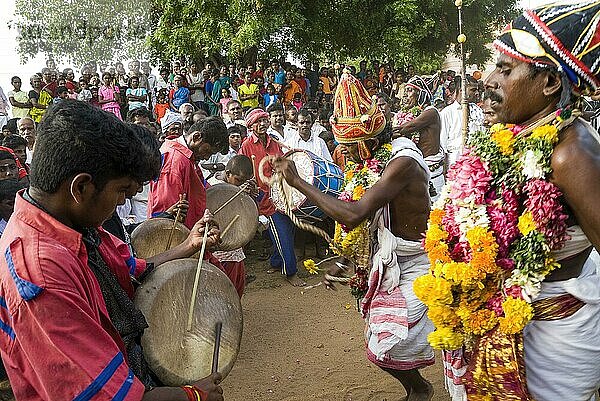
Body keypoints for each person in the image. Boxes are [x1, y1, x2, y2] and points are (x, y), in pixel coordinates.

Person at [423, 2, 600, 400]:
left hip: (559, 332)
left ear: (549, 84)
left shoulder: (571, 152)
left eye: (505, 69)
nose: (487, 80)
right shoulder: (516, 135)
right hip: (507, 324)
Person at [0, 100, 224, 400]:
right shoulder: (40, 272)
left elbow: (131, 270)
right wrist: (194, 395)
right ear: (80, 188)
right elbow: (109, 396)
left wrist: (189, 245)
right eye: (120, 192)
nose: (121, 202)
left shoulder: (75, 225)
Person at [272, 72, 435, 400]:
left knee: (389, 341)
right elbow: (364, 222)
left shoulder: (401, 161)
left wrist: (300, 184)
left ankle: (422, 389)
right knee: (382, 335)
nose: (346, 154)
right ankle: (421, 389)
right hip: (394, 258)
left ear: (370, 141)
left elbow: (355, 213)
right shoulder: (377, 161)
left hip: (420, 259)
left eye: (349, 147)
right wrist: (346, 262)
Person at [239, 108, 304, 286]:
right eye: (258, 122)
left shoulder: (274, 142)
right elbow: (241, 170)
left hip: (281, 192)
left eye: (264, 121)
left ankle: (276, 262)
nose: (262, 124)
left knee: (286, 229)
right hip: (263, 196)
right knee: (282, 231)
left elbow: (284, 164)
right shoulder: (246, 145)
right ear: (251, 126)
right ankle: (290, 272)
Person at [148, 116, 228, 230]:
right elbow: (167, 211)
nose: (206, 157)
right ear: (196, 137)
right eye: (207, 151)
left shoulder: (188, 157)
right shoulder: (175, 161)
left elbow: (201, 187)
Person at [392, 75, 443, 200]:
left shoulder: (431, 112)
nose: (405, 95)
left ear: (421, 94)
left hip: (432, 172)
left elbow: (405, 128)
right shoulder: (404, 114)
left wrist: (381, 134)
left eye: (409, 91)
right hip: (416, 172)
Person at [211, 154, 254, 297]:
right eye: (239, 180)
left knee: (236, 290)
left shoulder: (240, 189)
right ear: (228, 174)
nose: (241, 184)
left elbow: (248, 216)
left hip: (235, 250)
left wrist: (249, 198)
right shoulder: (212, 187)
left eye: (245, 182)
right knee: (220, 291)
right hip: (216, 251)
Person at [438, 75, 484, 167]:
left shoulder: (477, 110)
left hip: (476, 161)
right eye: (473, 90)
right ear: (461, 90)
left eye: (477, 90)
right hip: (454, 163)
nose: (477, 93)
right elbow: (442, 144)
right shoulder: (447, 112)